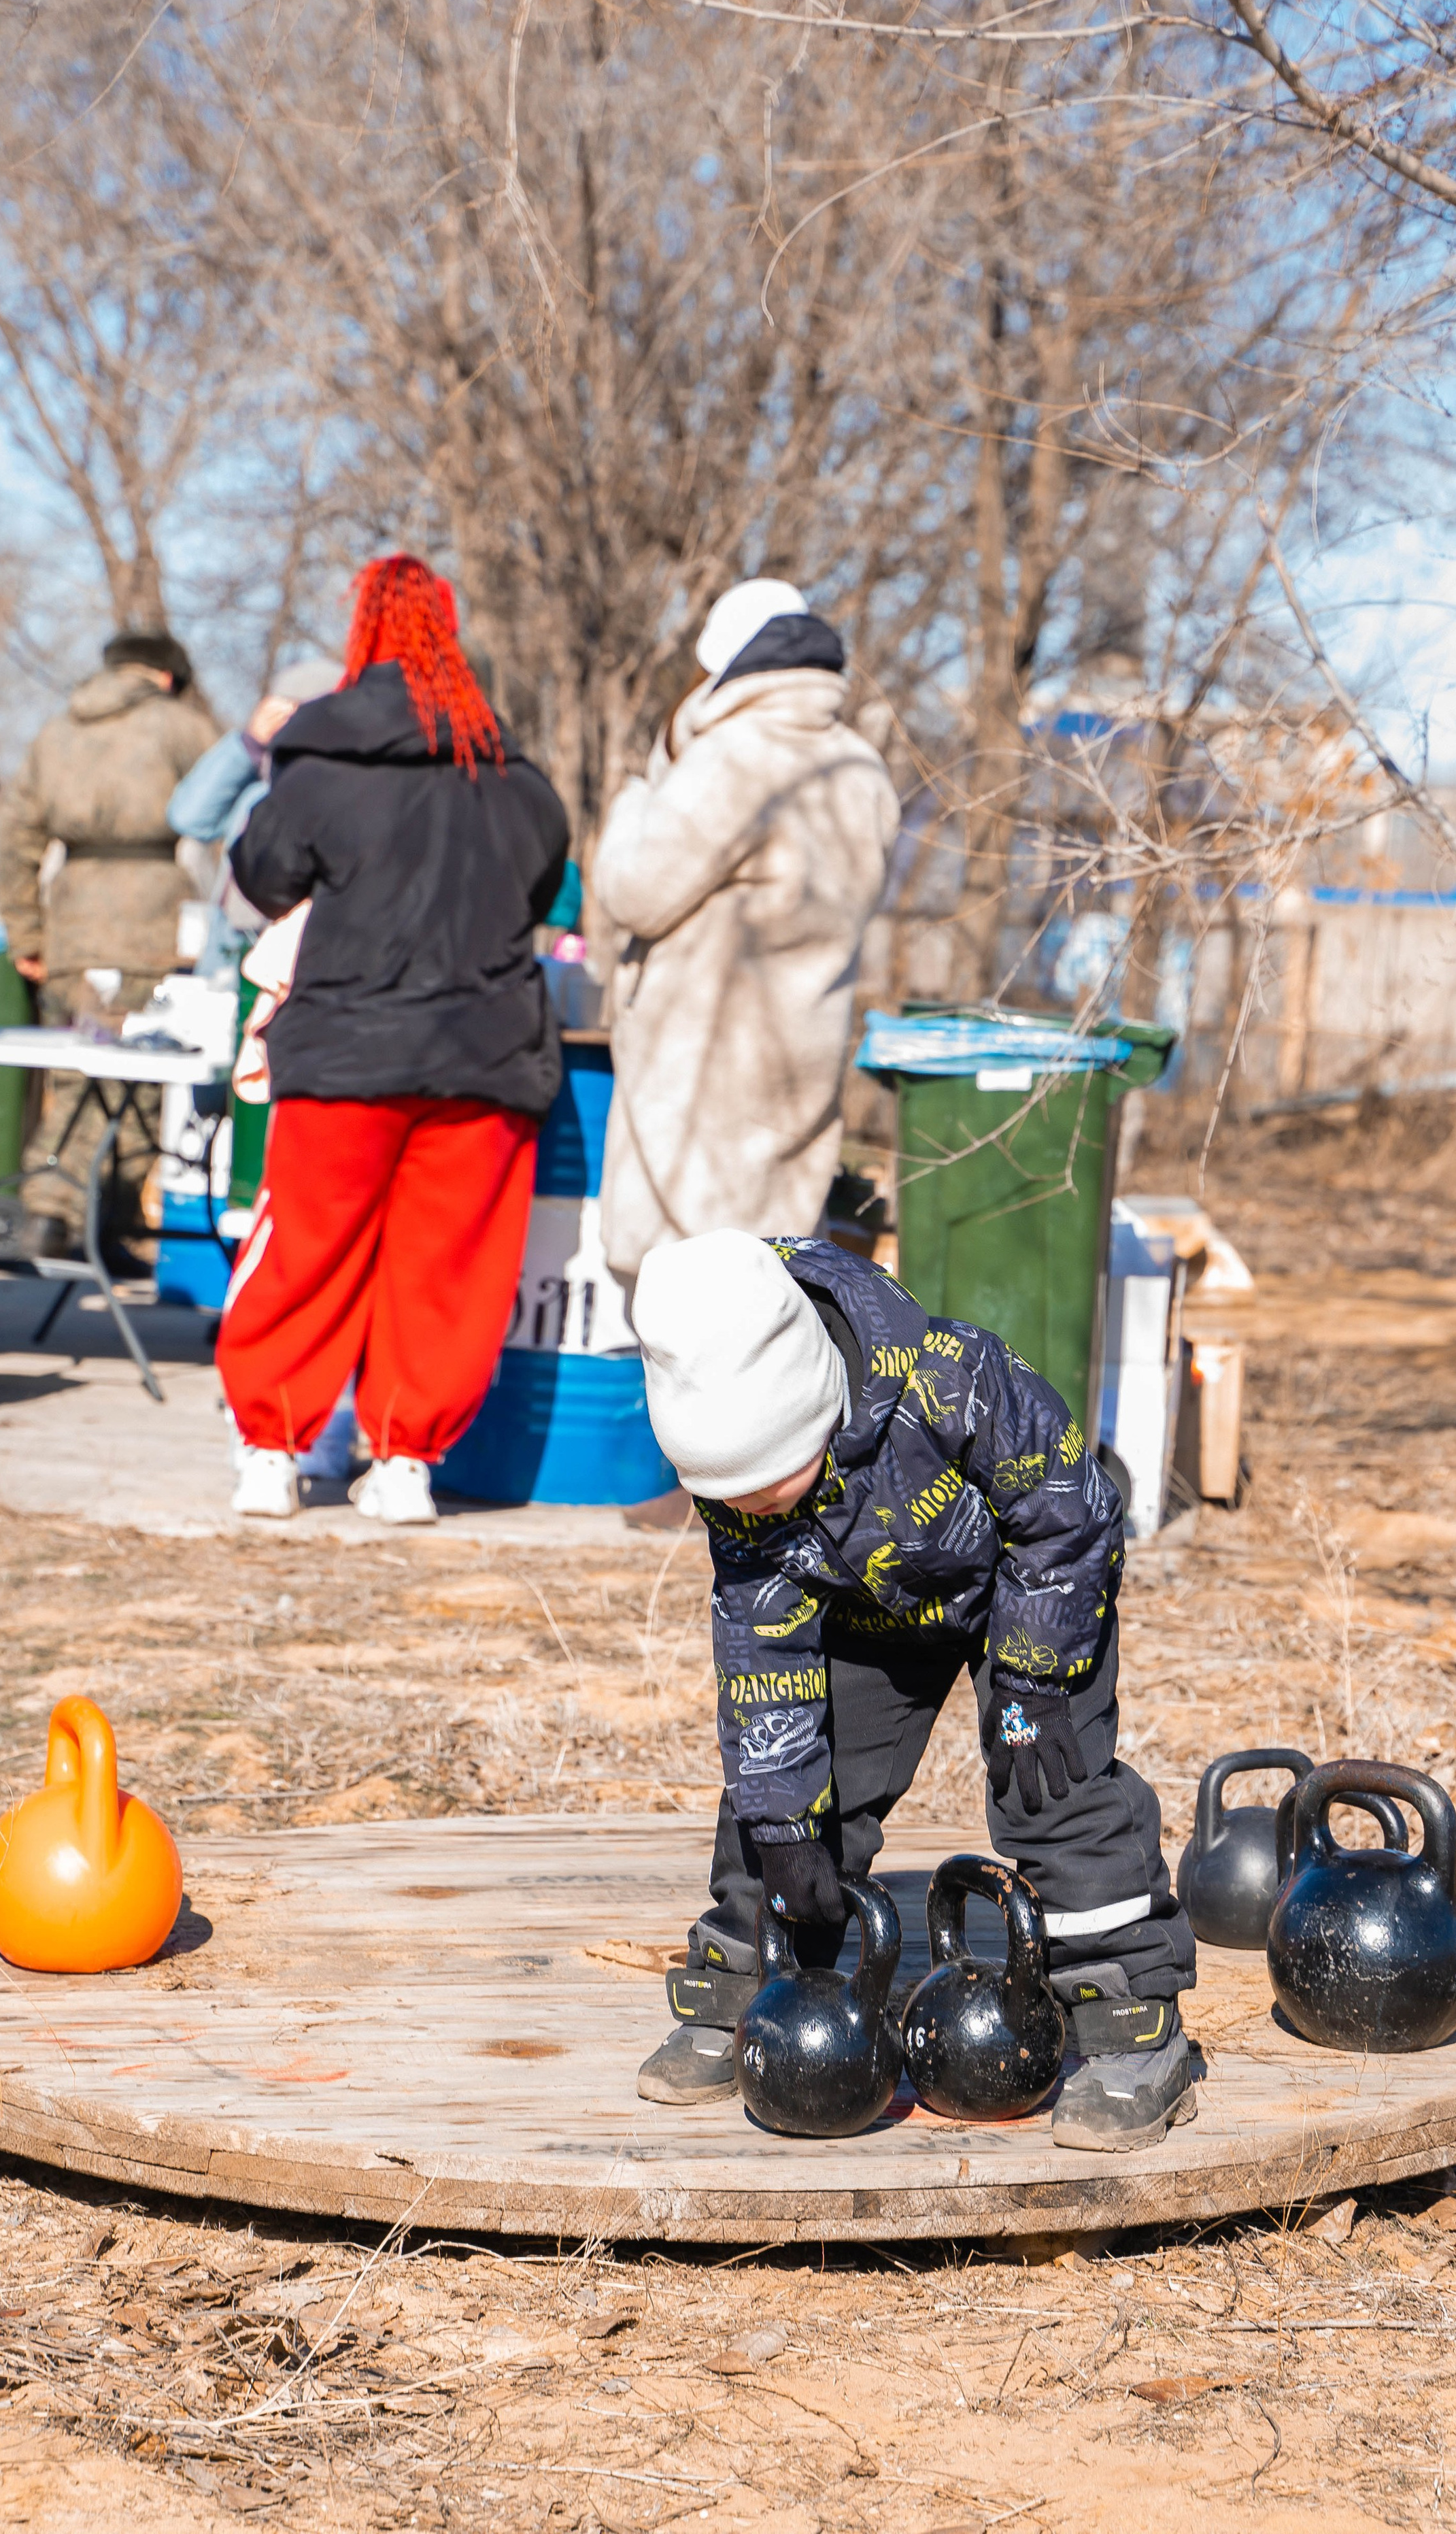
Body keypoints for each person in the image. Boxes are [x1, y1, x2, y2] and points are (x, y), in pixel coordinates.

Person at [628, 1229, 1200, 2152]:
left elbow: (1072, 1513)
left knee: (1052, 1792)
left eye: (771, 1481)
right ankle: (754, 1987)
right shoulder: (741, 1502)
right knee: (791, 1800)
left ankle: (1130, 2022)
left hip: (1027, 1605)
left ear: (815, 1403)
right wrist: (785, 1826)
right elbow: (762, 1651)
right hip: (869, 1617)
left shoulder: (953, 1380)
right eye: (729, 1495)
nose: (752, 1508)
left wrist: (1032, 1679)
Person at [216, 554, 569, 1526]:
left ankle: (272, 1450)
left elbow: (263, 875)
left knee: (306, 1253)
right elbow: (541, 890)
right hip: (486, 1057)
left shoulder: (323, 761)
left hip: (345, 1051)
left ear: (361, 633)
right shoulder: (516, 778)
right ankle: (406, 1462)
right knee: (449, 1268)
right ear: (451, 637)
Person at [590, 580, 898, 1285]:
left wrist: (635, 800)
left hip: (702, 1081)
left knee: (685, 1301)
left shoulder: (734, 756)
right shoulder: (861, 770)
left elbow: (635, 893)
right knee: (770, 1295)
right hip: (797, 1071)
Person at [0, 629, 218, 1255]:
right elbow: (235, 809)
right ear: (169, 677)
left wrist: (27, 932)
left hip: (71, 925)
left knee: (76, 1072)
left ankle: (52, 1212)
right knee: (140, 1081)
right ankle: (110, 1222)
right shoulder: (181, 727)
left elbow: (17, 837)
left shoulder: (57, 730)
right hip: (152, 927)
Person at [167, 658, 343, 976]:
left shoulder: (354, 790)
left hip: (303, 959)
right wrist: (248, 746)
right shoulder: (255, 788)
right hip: (229, 953)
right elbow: (189, 817)